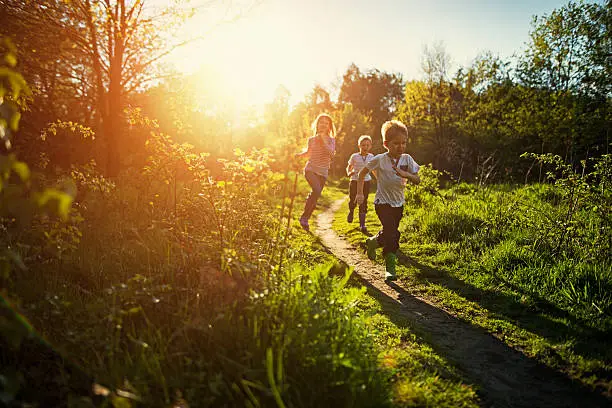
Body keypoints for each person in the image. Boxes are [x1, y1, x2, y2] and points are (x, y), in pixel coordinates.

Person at [355, 120, 420, 280]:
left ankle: (373, 242)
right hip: (382, 203)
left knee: (390, 233)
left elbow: (417, 179)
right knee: (393, 234)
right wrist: (359, 193)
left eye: (404, 143)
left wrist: (407, 175)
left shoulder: (407, 159)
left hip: (399, 204)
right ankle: (390, 268)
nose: (401, 146)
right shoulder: (379, 159)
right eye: (396, 143)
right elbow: (362, 173)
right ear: (386, 144)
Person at [295, 113, 336, 231]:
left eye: (326, 123)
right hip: (310, 169)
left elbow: (331, 155)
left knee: (315, 194)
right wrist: (299, 155)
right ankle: (304, 218)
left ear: (329, 126)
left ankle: (305, 218)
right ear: (317, 124)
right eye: (321, 122)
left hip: (323, 172)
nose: (323, 124)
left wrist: (323, 140)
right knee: (317, 190)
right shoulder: (311, 139)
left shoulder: (331, 140)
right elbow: (308, 153)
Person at [346, 135, 374, 234]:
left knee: (363, 201)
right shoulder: (354, 156)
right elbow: (349, 167)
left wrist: (379, 178)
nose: (365, 147)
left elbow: (374, 169)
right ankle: (351, 211)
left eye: (367, 145)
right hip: (354, 181)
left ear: (370, 146)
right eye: (363, 145)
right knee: (352, 199)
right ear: (359, 146)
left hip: (366, 181)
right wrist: (349, 173)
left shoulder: (371, 157)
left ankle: (362, 225)